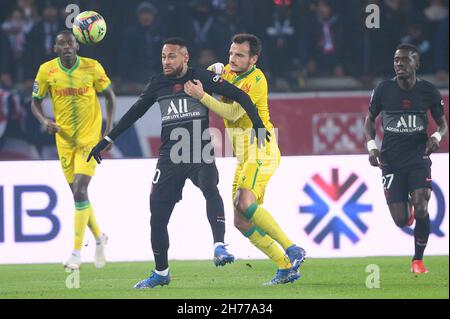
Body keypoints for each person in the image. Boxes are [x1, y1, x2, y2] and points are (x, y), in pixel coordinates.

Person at [87, 37, 269, 289]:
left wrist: (258, 124)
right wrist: (106, 139)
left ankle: (219, 246)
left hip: (199, 151)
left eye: (171, 56)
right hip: (170, 157)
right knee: (157, 216)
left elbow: (239, 95)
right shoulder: (157, 83)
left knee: (210, 188)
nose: (166, 61)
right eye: (163, 56)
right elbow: (134, 113)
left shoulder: (201, 78)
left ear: (185, 58)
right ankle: (161, 272)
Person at [183, 33, 306, 285]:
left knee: (244, 199)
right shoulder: (228, 71)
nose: (233, 59)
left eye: (240, 55)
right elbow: (213, 81)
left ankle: (292, 248)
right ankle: (285, 266)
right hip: (243, 155)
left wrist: (202, 96)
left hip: (261, 147)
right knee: (240, 220)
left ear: (254, 59)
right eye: (231, 53)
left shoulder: (256, 79)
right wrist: (212, 73)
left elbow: (232, 110)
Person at [31, 30, 116, 270]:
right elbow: (35, 101)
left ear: (77, 46)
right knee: (79, 197)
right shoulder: (46, 70)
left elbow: (110, 96)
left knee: (80, 191)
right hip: (64, 141)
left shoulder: (92, 67)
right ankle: (100, 237)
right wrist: (44, 121)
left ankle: (76, 254)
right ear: (55, 48)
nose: (67, 46)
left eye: (70, 43)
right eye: (62, 44)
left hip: (89, 140)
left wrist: (107, 132)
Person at [364, 43, 448, 274]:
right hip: (391, 160)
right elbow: (369, 119)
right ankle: (407, 208)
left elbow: (443, 124)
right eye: (396, 60)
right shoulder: (383, 89)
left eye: (404, 60)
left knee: (422, 205)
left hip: (419, 157)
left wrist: (436, 137)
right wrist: (372, 146)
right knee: (401, 220)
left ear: (416, 64)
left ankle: (418, 260)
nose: (399, 64)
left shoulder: (428, 91)